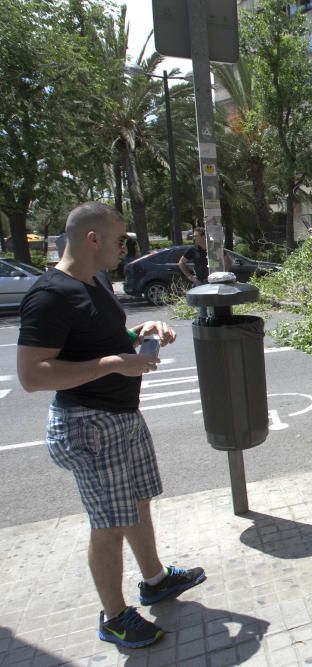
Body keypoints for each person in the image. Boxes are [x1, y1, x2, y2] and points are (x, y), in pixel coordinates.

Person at [17, 202, 205, 649]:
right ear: (92, 238)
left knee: (137, 503)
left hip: (120, 418)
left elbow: (99, 339)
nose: (127, 248)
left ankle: (155, 579)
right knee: (108, 524)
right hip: (88, 426)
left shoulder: (94, 283)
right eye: (122, 240)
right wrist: (115, 363)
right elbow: (32, 375)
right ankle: (114, 617)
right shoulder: (49, 296)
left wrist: (142, 333)